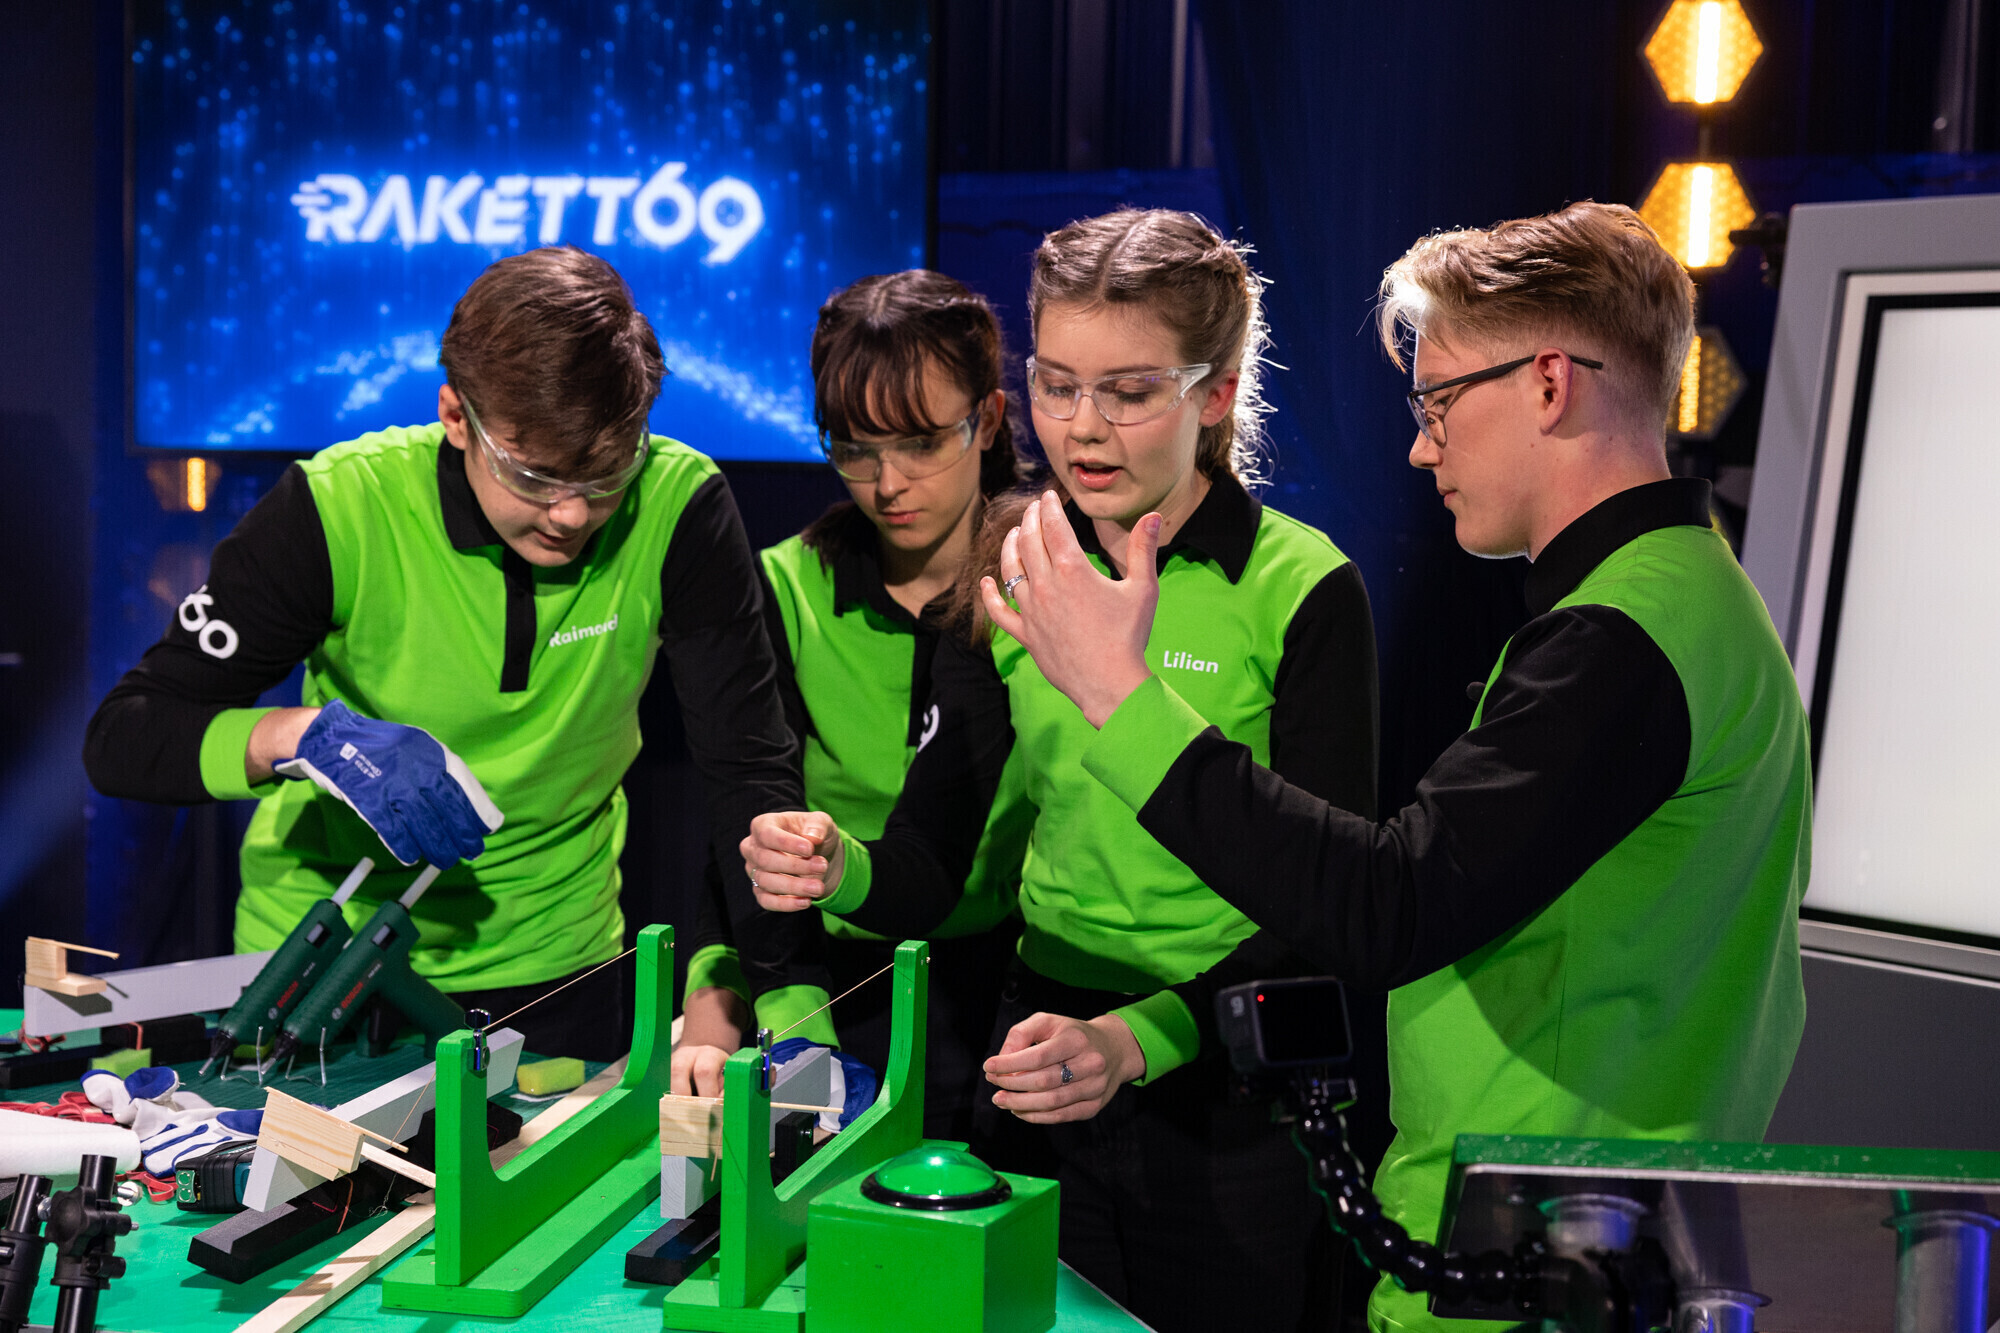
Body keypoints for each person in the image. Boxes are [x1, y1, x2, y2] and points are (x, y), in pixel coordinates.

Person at [968, 201, 1812, 1332]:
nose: (1422, 446)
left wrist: (1119, 696)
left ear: (1547, 385)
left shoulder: (1621, 638)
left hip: (1546, 1252)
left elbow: (1386, 905)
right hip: (1570, 1230)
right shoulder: (1687, 597)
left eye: (1438, 402)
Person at [742, 209, 1381, 1333]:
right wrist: (838, 867)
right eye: (1057, 384)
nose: (1083, 428)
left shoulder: (1301, 588)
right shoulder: (1011, 560)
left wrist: (1139, 1038)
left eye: (1127, 392)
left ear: (1217, 394)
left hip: (1227, 1086)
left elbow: (1332, 908)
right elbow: (936, 860)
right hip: (1038, 1063)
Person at [84, 246, 809, 1063]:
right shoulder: (338, 508)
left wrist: (754, 999)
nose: (572, 514)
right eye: (535, 475)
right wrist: (301, 736)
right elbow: (125, 736)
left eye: (606, 474)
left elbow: (749, 772)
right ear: (456, 416)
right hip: (316, 970)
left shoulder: (680, 506)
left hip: (558, 975)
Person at [671, 270, 1034, 1140]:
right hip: (819, 979)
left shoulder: (1046, 575)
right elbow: (741, 818)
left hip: (1003, 992)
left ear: (987, 419)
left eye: (920, 443)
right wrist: (718, 987)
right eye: (854, 448)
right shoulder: (785, 585)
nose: (887, 483)